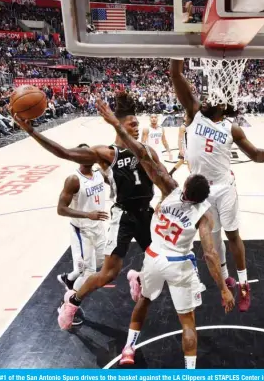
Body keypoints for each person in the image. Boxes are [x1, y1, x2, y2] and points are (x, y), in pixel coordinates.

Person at [97, 99, 235, 368]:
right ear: (203, 197)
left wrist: (116, 124)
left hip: (152, 258)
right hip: (177, 266)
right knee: (187, 322)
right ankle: (190, 371)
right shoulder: (203, 214)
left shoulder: (170, 189)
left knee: (144, 303)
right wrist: (223, 289)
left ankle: (128, 348)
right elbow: (209, 254)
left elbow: (143, 155)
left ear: (185, 187)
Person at [14, 93, 158, 330]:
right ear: (118, 124)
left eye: (137, 124)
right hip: (124, 217)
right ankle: (72, 302)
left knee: (160, 259)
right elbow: (64, 152)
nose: (136, 128)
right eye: (132, 124)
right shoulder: (106, 153)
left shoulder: (146, 150)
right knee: (108, 274)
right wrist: (31, 131)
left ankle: (139, 277)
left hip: (146, 214)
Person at [170, 58, 264, 311]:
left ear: (223, 104)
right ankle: (226, 278)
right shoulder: (193, 114)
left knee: (232, 235)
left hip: (224, 187)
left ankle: (245, 285)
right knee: (212, 243)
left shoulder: (232, 129)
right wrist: (178, 49)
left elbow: (257, 156)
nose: (203, 99)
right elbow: (176, 76)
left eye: (210, 97)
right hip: (200, 192)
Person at [55, 143, 110, 326]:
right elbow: (61, 210)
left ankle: (68, 279)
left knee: (102, 265)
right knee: (89, 273)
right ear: (79, 157)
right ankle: (66, 305)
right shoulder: (73, 179)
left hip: (98, 228)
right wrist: (88, 214)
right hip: (82, 230)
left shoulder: (99, 175)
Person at [169, 111, 190, 177]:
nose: (188, 118)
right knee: (190, 162)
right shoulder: (183, 127)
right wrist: (181, 150)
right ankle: (193, 176)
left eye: (189, 116)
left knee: (181, 161)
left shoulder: (191, 125)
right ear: (184, 118)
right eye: (186, 116)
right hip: (185, 148)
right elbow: (179, 139)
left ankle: (170, 173)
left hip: (189, 147)